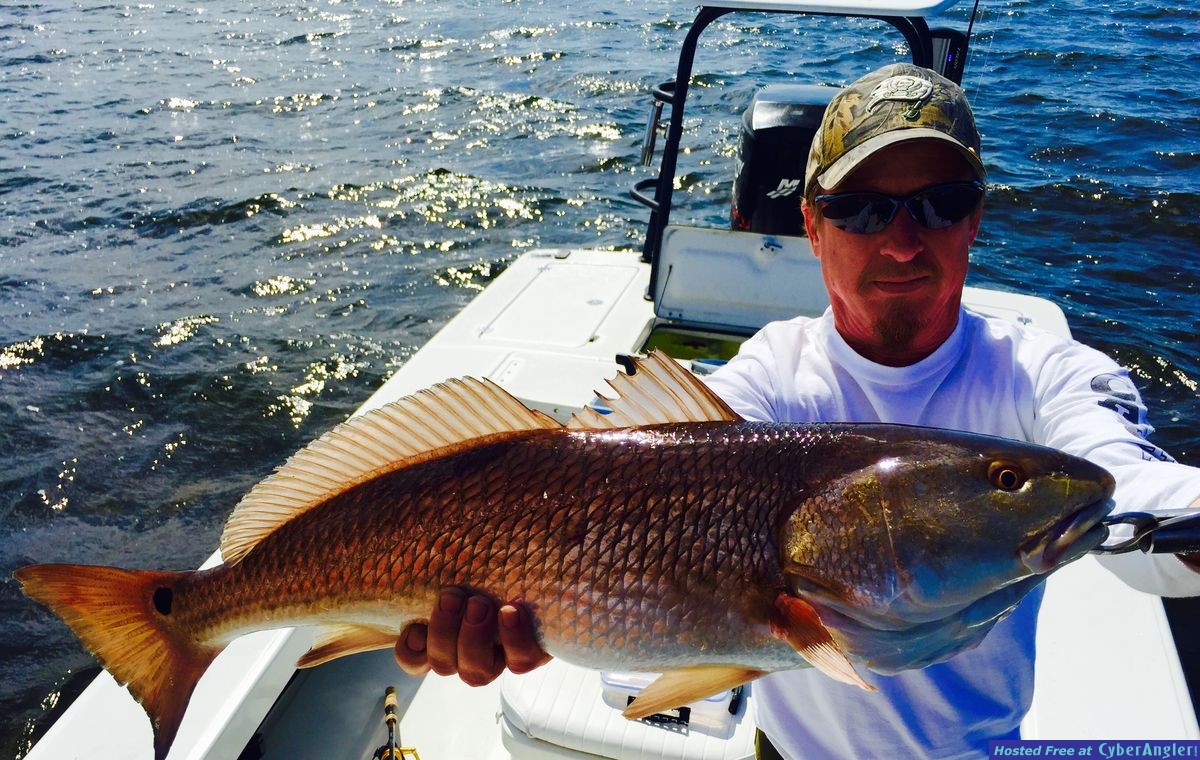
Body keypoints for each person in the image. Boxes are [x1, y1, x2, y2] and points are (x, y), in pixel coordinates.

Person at [393, 63, 1200, 757]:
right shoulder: (771, 379)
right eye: (862, 210)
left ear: (976, 218)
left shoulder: (1042, 373)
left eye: (940, 203)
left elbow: (1127, 492)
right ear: (812, 226)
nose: (902, 241)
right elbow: (667, 465)